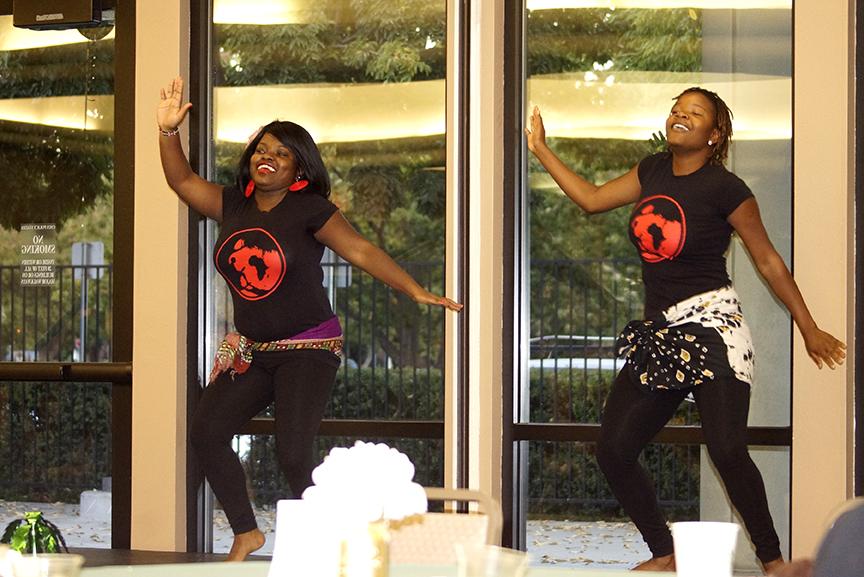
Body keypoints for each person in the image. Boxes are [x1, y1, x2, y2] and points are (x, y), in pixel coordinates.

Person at [525, 87, 846, 574]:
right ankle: (664, 553)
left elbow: (767, 260)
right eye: (677, 108)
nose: (680, 115)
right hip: (663, 333)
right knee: (614, 449)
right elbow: (591, 199)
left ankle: (774, 562)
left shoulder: (726, 189)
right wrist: (543, 150)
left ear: (714, 134)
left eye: (694, 113)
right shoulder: (652, 170)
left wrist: (809, 327)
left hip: (713, 324)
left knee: (726, 447)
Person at [157, 77, 462, 561]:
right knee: (208, 431)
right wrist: (167, 131)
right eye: (260, 148)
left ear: (299, 166)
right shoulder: (232, 204)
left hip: (309, 347)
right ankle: (247, 532)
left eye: (280, 151)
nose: (266, 155)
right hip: (254, 350)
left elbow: (360, 249)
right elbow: (182, 181)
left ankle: (329, 548)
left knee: (295, 455)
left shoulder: (309, 209)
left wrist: (415, 289)